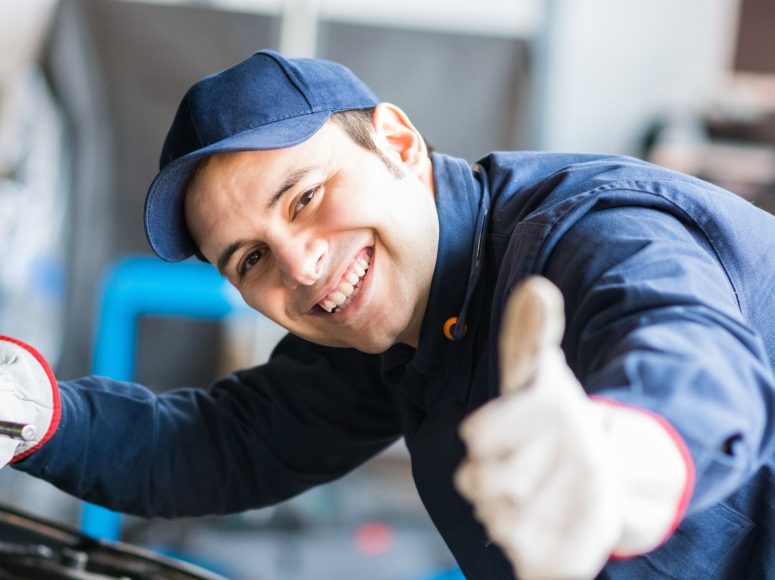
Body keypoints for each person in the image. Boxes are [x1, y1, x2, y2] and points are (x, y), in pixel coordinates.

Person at [2, 49, 775, 579]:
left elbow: (693, 355)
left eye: (304, 197)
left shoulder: (589, 231)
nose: (301, 266)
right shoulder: (389, 321)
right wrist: (38, 416)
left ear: (398, 141)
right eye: (250, 259)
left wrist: (622, 455)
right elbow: (225, 445)